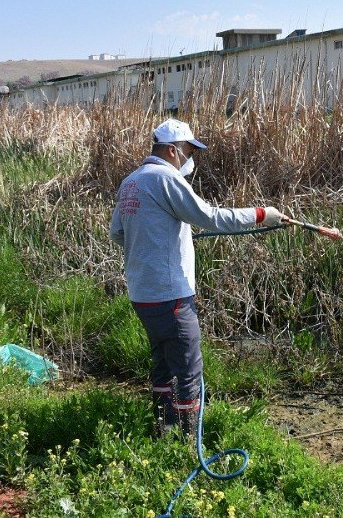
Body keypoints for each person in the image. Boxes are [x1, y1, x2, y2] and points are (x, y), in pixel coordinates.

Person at [109, 118, 286, 437]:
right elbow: (210, 217)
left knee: (163, 367)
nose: (191, 158)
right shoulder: (165, 179)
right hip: (171, 297)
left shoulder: (131, 182)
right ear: (173, 150)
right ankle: (187, 444)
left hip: (142, 296)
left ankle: (162, 432)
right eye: (190, 150)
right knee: (188, 372)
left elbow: (119, 233)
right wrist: (261, 214)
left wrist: (159, 239)